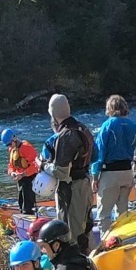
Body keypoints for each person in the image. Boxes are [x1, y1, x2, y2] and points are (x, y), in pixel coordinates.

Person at [40, 94, 96, 254]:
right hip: (85, 184)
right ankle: (91, 266)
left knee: (72, 234)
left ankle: (77, 269)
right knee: (86, 228)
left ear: (53, 114)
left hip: (71, 190)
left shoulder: (66, 135)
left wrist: (43, 165)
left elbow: (61, 172)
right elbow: (94, 156)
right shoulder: (83, 128)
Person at [90, 95, 136, 237]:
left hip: (110, 173)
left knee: (104, 215)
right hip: (127, 171)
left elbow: (99, 153)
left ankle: (107, 245)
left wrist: (94, 176)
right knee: (122, 212)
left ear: (109, 108)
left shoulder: (107, 126)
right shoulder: (134, 126)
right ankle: (125, 241)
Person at [2, 128, 40, 215]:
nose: (9, 146)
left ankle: (30, 215)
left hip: (30, 178)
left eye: (10, 144)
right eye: (8, 145)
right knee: (21, 200)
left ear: (14, 138)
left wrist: (23, 174)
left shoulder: (27, 148)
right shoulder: (12, 149)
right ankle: (23, 213)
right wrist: (12, 173)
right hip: (20, 179)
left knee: (28, 202)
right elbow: (10, 166)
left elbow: (35, 165)